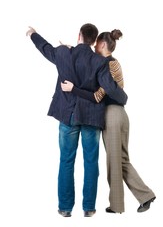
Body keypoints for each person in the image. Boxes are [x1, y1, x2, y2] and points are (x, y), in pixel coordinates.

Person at [26, 24, 128, 217]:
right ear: (94, 40)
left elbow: (45, 48)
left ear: (79, 35)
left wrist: (33, 34)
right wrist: (124, 98)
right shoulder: (99, 61)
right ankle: (88, 208)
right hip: (91, 117)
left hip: (68, 116)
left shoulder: (64, 53)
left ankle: (65, 208)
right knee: (91, 161)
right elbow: (110, 88)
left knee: (66, 160)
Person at [61, 29, 156, 214]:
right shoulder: (109, 63)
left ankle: (125, 203)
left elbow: (97, 96)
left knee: (115, 161)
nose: (94, 47)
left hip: (113, 114)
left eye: (96, 44)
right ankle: (141, 197)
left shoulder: (108, 65)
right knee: (120, 159)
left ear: (103, 45)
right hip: (117, 114)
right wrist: (73, 50)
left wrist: (73, 89)